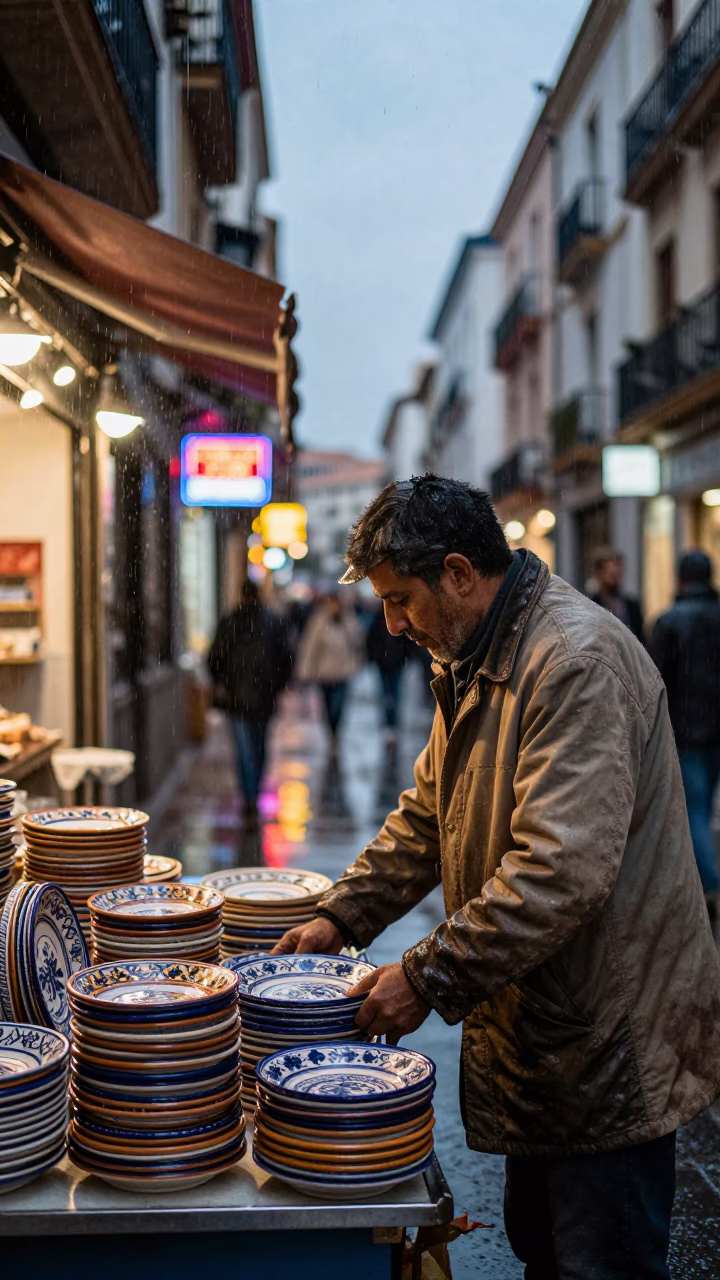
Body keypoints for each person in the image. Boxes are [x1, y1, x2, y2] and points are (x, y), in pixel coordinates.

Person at [274, 474, 720, 1280]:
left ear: (457, 571)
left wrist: (423, 976)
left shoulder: (573, 662)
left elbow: (559, 871)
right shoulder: (475, 655)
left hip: (606, 1043)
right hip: (547, 1033)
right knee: (546, 1251)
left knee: (600, 1262)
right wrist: (342, 916)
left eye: (401, 598)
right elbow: (426, 814)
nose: (393, 623)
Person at [649, 550, 720, 920]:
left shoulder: (670, 622)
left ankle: (709, 887)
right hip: (712, 729)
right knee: (704, 807)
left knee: (694, 810)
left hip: (689, 731)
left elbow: (654, 681)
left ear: (681, 580)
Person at [208, 580, 292, 822]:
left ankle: (249, 795)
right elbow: (286, 659)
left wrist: (223, 681)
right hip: (262, 698)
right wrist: (276, 686)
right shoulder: (272, 621)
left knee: (245, 749)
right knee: (258, 746)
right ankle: (252, 791)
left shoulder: (230, 622)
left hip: (238, 698)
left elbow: (214, 659)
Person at [296, 593, 364, 747]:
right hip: (325, 675)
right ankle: (331, 732)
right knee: (328, 707)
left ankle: (336, 732)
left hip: (343, 673)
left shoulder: (348, 620)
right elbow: (310, 647)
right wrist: (305, 671)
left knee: (339, 706)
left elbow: (357, 641)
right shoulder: (319, 621)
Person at [365, 603, 408, 741]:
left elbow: (405, 643)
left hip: (393, 663)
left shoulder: (390, 621)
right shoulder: (379, 621)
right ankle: (389, 723)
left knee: (392, 694)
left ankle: (392, 723)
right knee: (388, 694)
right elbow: (371, 641)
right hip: (386, 664)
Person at [590, 546, 644, 640]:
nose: (615, 576)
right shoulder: (590, 605)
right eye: (610, 573)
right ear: (598, 573)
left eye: (617, 572)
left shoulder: (632, 605)